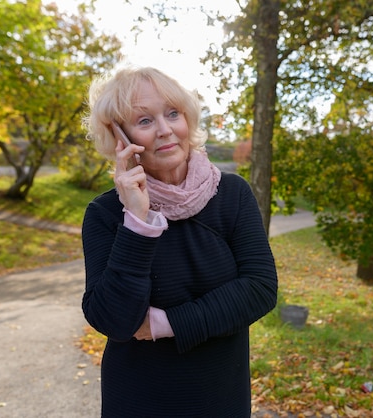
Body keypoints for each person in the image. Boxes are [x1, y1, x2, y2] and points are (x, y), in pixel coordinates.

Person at [81, 65, 278, 417]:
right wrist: (138, 222)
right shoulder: (105, 213)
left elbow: (259, 289)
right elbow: (113, 321)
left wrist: (164, 324)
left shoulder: (232, 194)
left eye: (173, 114)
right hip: (138, 401)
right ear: (119, 138)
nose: (165, 130)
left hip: (219, 398)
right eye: (144, 121)